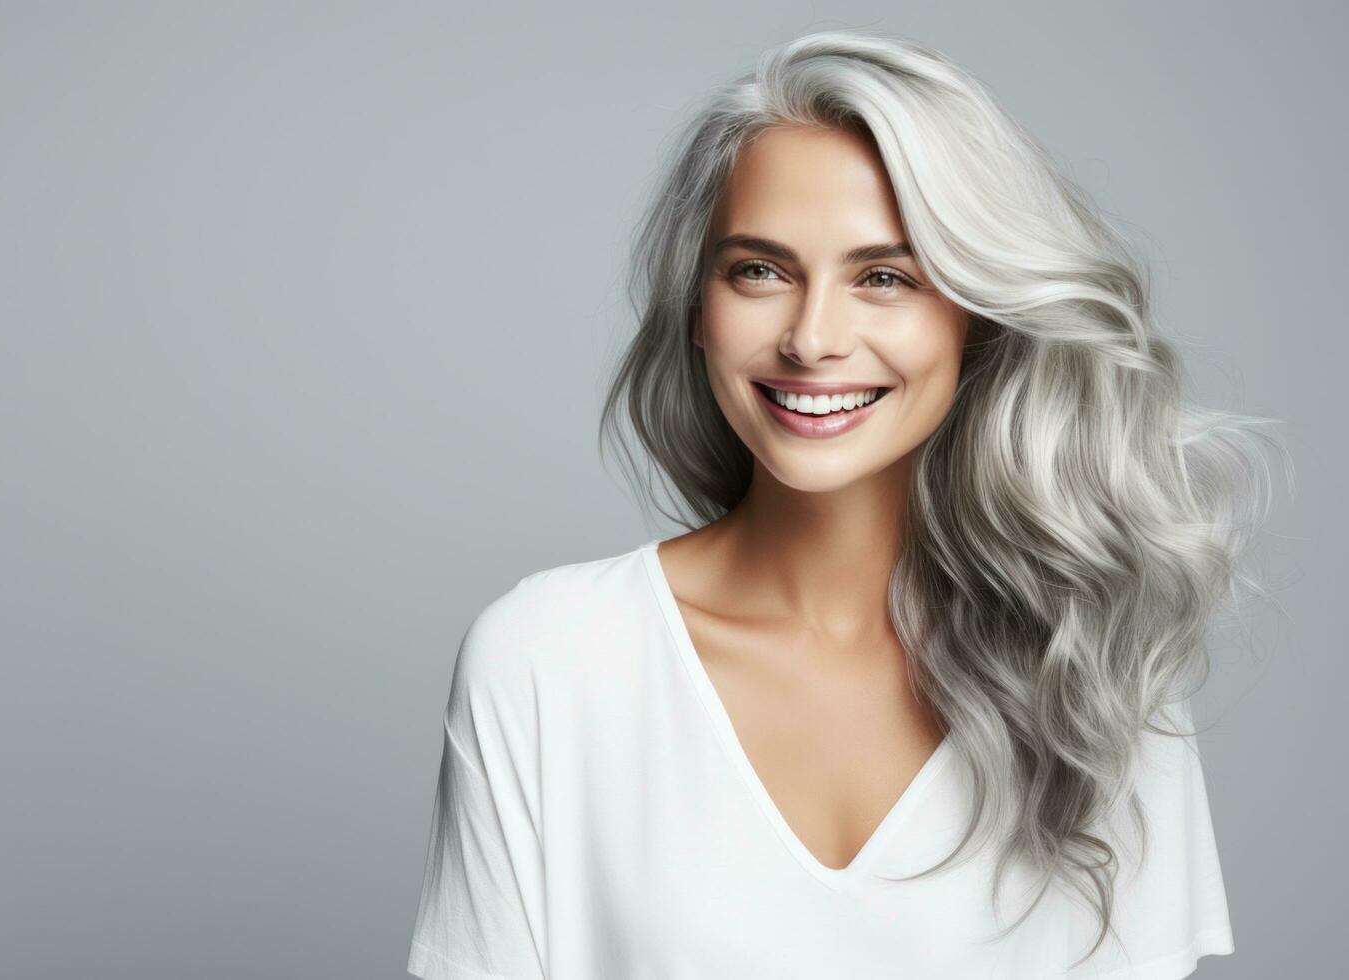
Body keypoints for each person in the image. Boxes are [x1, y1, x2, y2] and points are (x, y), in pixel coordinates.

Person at [407, 28, 1278, 979]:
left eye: (884, 278)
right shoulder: (548, 661)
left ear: (976, 317)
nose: (813, 338)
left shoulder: (1097, 661)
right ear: (699, 309)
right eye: (760, 271)